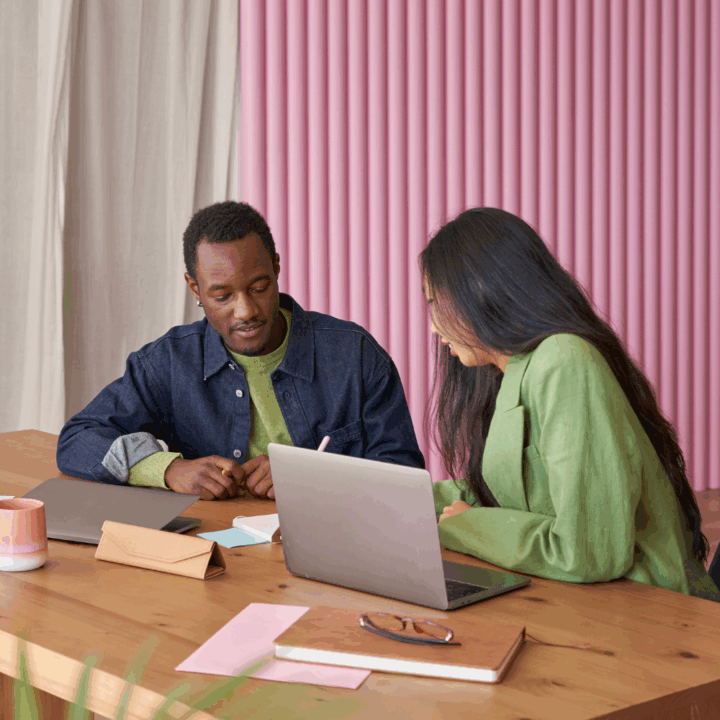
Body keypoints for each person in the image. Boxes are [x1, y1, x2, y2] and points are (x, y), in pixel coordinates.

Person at [421, 207, 720, 601]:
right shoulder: (514, 373)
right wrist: (407, 502)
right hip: (586, 602)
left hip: (651, 611)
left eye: (434, 303)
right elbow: (509, 490)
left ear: (481, 289)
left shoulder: (564, 360)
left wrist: (464, 527)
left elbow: (589, 552)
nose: (432, 326)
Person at [57, 201, 424, 500]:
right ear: (195, 289)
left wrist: (308, 478)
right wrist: (167, 469)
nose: (246, 310)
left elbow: (405, 476)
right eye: (222, 296)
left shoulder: (355, 357)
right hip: (213, 558)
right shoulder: (169, 362)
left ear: (277, 268)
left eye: (260, 287)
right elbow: (78, 440)